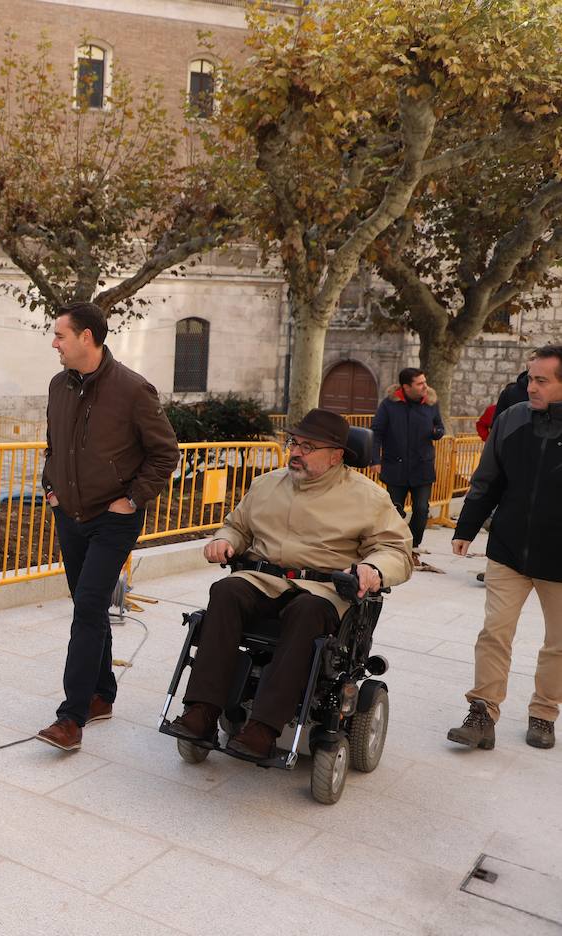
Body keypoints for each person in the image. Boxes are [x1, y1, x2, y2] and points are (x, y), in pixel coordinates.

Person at [169, 409, 413, 759]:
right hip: (263, 578)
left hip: (322, 588)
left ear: (336, 455)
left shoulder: (368, 497)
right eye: (294, 442)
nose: (296, 451)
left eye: (308, 446)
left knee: (307, 612)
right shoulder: (267, 484)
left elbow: (396, 550)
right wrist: (225, 540)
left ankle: (263, 728)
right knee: (225, 591)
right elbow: (237, 526)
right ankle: (201, 711)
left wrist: (374, 567)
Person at [35, 301, 179, 751]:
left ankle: (71, 717)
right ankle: (103, 695)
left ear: (87, 338)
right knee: (89, 604)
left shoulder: (133, 390)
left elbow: (165, 454)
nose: (54, 343)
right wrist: (50, 487)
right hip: (69, 515)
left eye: (60, 335)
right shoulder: (59, 385)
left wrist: (132, 499)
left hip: (112, 520)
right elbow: (53, 445)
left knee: (87, 608)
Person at [447, 345, 562, 752]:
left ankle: (544, 714)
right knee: (494, 633)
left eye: (541, 380)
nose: (530, 386)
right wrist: (467, 526)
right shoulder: (511, 419)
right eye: (530, 377)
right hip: (509, 549)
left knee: (558, 643)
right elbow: (488, 478)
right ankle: (482, 713)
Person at [370, 367, 445, 558]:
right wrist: (374, 460)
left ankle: (412, 543)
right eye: (420, 383)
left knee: (421, 509)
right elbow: (376, 433)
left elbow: (440, 426)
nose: (425, 386)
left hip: (422, 466)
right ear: (406, 387)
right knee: (395, 509)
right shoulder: (388, 405)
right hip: (396, 465)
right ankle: (393, 543)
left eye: (425, 382)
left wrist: (437, 432)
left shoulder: (430, 403)